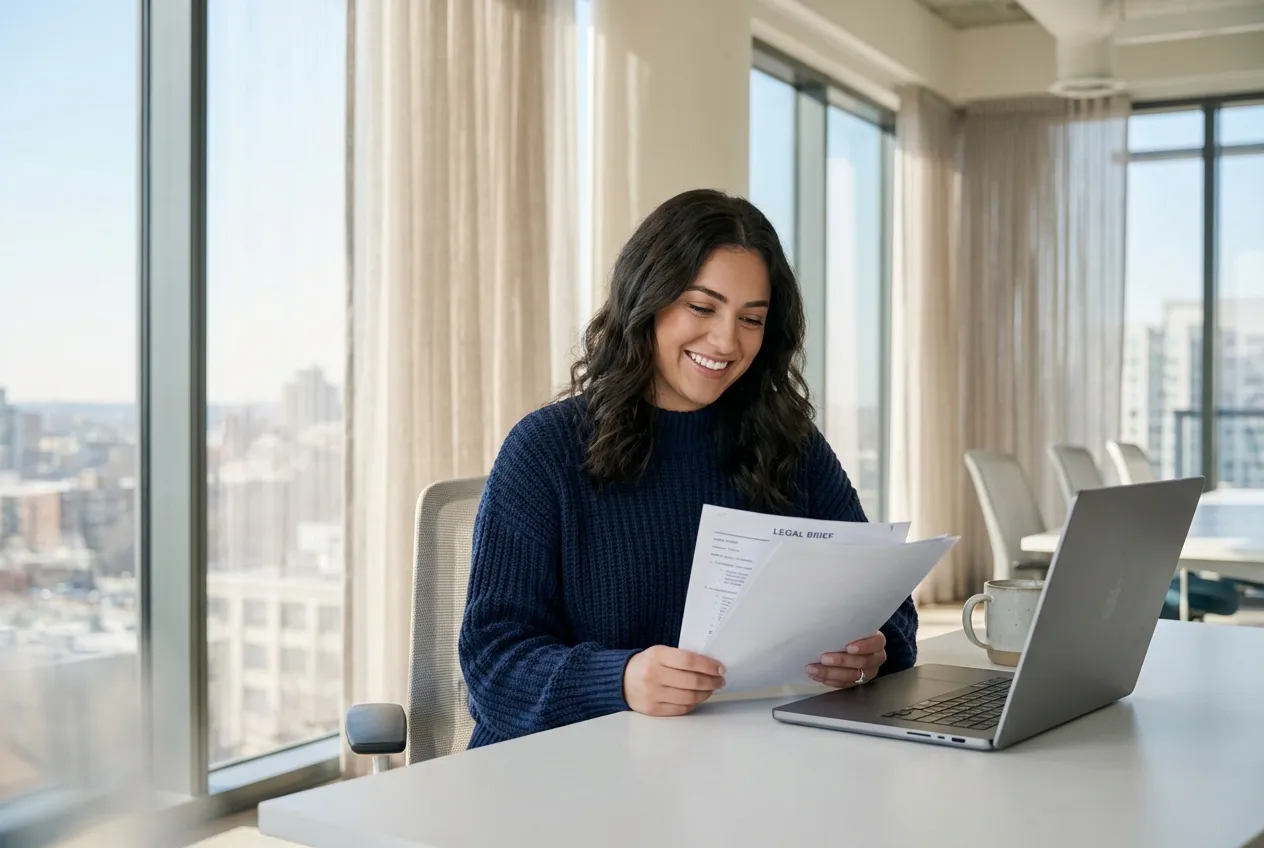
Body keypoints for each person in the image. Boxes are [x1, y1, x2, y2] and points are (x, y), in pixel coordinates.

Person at [458, 188, 917, 748]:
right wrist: (620, 681)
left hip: (745, 769)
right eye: (702, 307)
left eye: (751, 319)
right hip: (573, 776)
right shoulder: (547, 449)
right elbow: (492, 663)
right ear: (646, 300)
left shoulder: (790, 442)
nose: (726, 341)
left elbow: (887, 604)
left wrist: (874, 651)